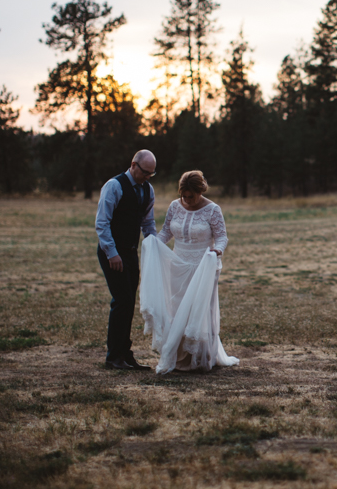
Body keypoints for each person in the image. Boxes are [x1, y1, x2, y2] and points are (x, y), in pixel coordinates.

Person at [139, 170, 239, 374]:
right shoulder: (175, 206)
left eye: (191, 196)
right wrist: (154, 244)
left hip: (204, 265)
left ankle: (203, 357)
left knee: (201, 310)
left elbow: (222, 237)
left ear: (200, 191)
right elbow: (167, 231)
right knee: (177, 309)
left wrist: (217, 250)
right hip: (178, 264)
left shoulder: (212, 210)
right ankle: (179, 356)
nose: (187, 200)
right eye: (183, 196)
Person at [95, 150, 157, 370]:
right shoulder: (114, 186)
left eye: (152, 173)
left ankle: (125, 353)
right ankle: (113, 357)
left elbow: (148, 224)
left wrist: (156, 247)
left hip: (131, 253)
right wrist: (112, 253)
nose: (148, 177)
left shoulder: (147, 190)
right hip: (112, 252)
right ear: (133, 165)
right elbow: (102, 223)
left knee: (129, 302)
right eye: (145, 172)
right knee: (122, 301)